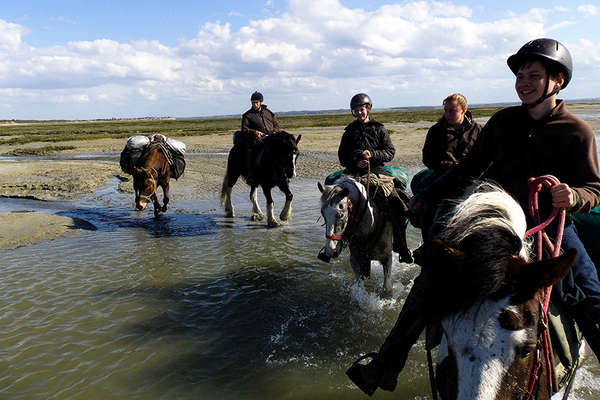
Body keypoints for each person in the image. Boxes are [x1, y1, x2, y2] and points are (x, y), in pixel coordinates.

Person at [346, 38, 600, 395]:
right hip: (498, 225)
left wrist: (574, 196)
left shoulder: (577, 130)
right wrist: (427, 196)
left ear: (557, 80)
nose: (523, 82)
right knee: (429, 282)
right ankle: (385, 367)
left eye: (534, 75)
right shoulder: (502, 122)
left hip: (549, 224)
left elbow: (594, 188)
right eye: (520, 75)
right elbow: (469, 169)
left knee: (590, 292)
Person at [338, 93, 412, 263]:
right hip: (354, 173)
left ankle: (402, 247)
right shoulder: (349, 132)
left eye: (361, 109)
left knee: (396, 203)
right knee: (336, 203)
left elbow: (390, 152)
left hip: (378, 172)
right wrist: (357, 160)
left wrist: (372, 155)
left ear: (368, 109)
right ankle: (338, 244)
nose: (359, 113)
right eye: (356, 110)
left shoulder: (379, 128)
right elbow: (342, 157)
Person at [411, 93, 482, 237]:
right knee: (429, 213)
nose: (448, 114)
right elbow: (428, 158)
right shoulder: (436, 131)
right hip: (442, 179)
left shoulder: (478, 130)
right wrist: (450, 166)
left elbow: (486, 157)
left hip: (471, 180)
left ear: (464, 110)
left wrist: (468, 167)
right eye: (446, 110)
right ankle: (428, 247)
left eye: (452, 110)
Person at [237, 91, 280, 183]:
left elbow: (276, 125)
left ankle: (282, 172)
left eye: (256, 102)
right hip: (256, 140)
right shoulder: (247, 115)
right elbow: (244, 129)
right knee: (251, 153)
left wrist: (275, 132)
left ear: (261, 102)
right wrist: (255, 132)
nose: (255, 104)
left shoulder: (269, 113)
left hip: (271, 138)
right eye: (253, 103)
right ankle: (250, 175)